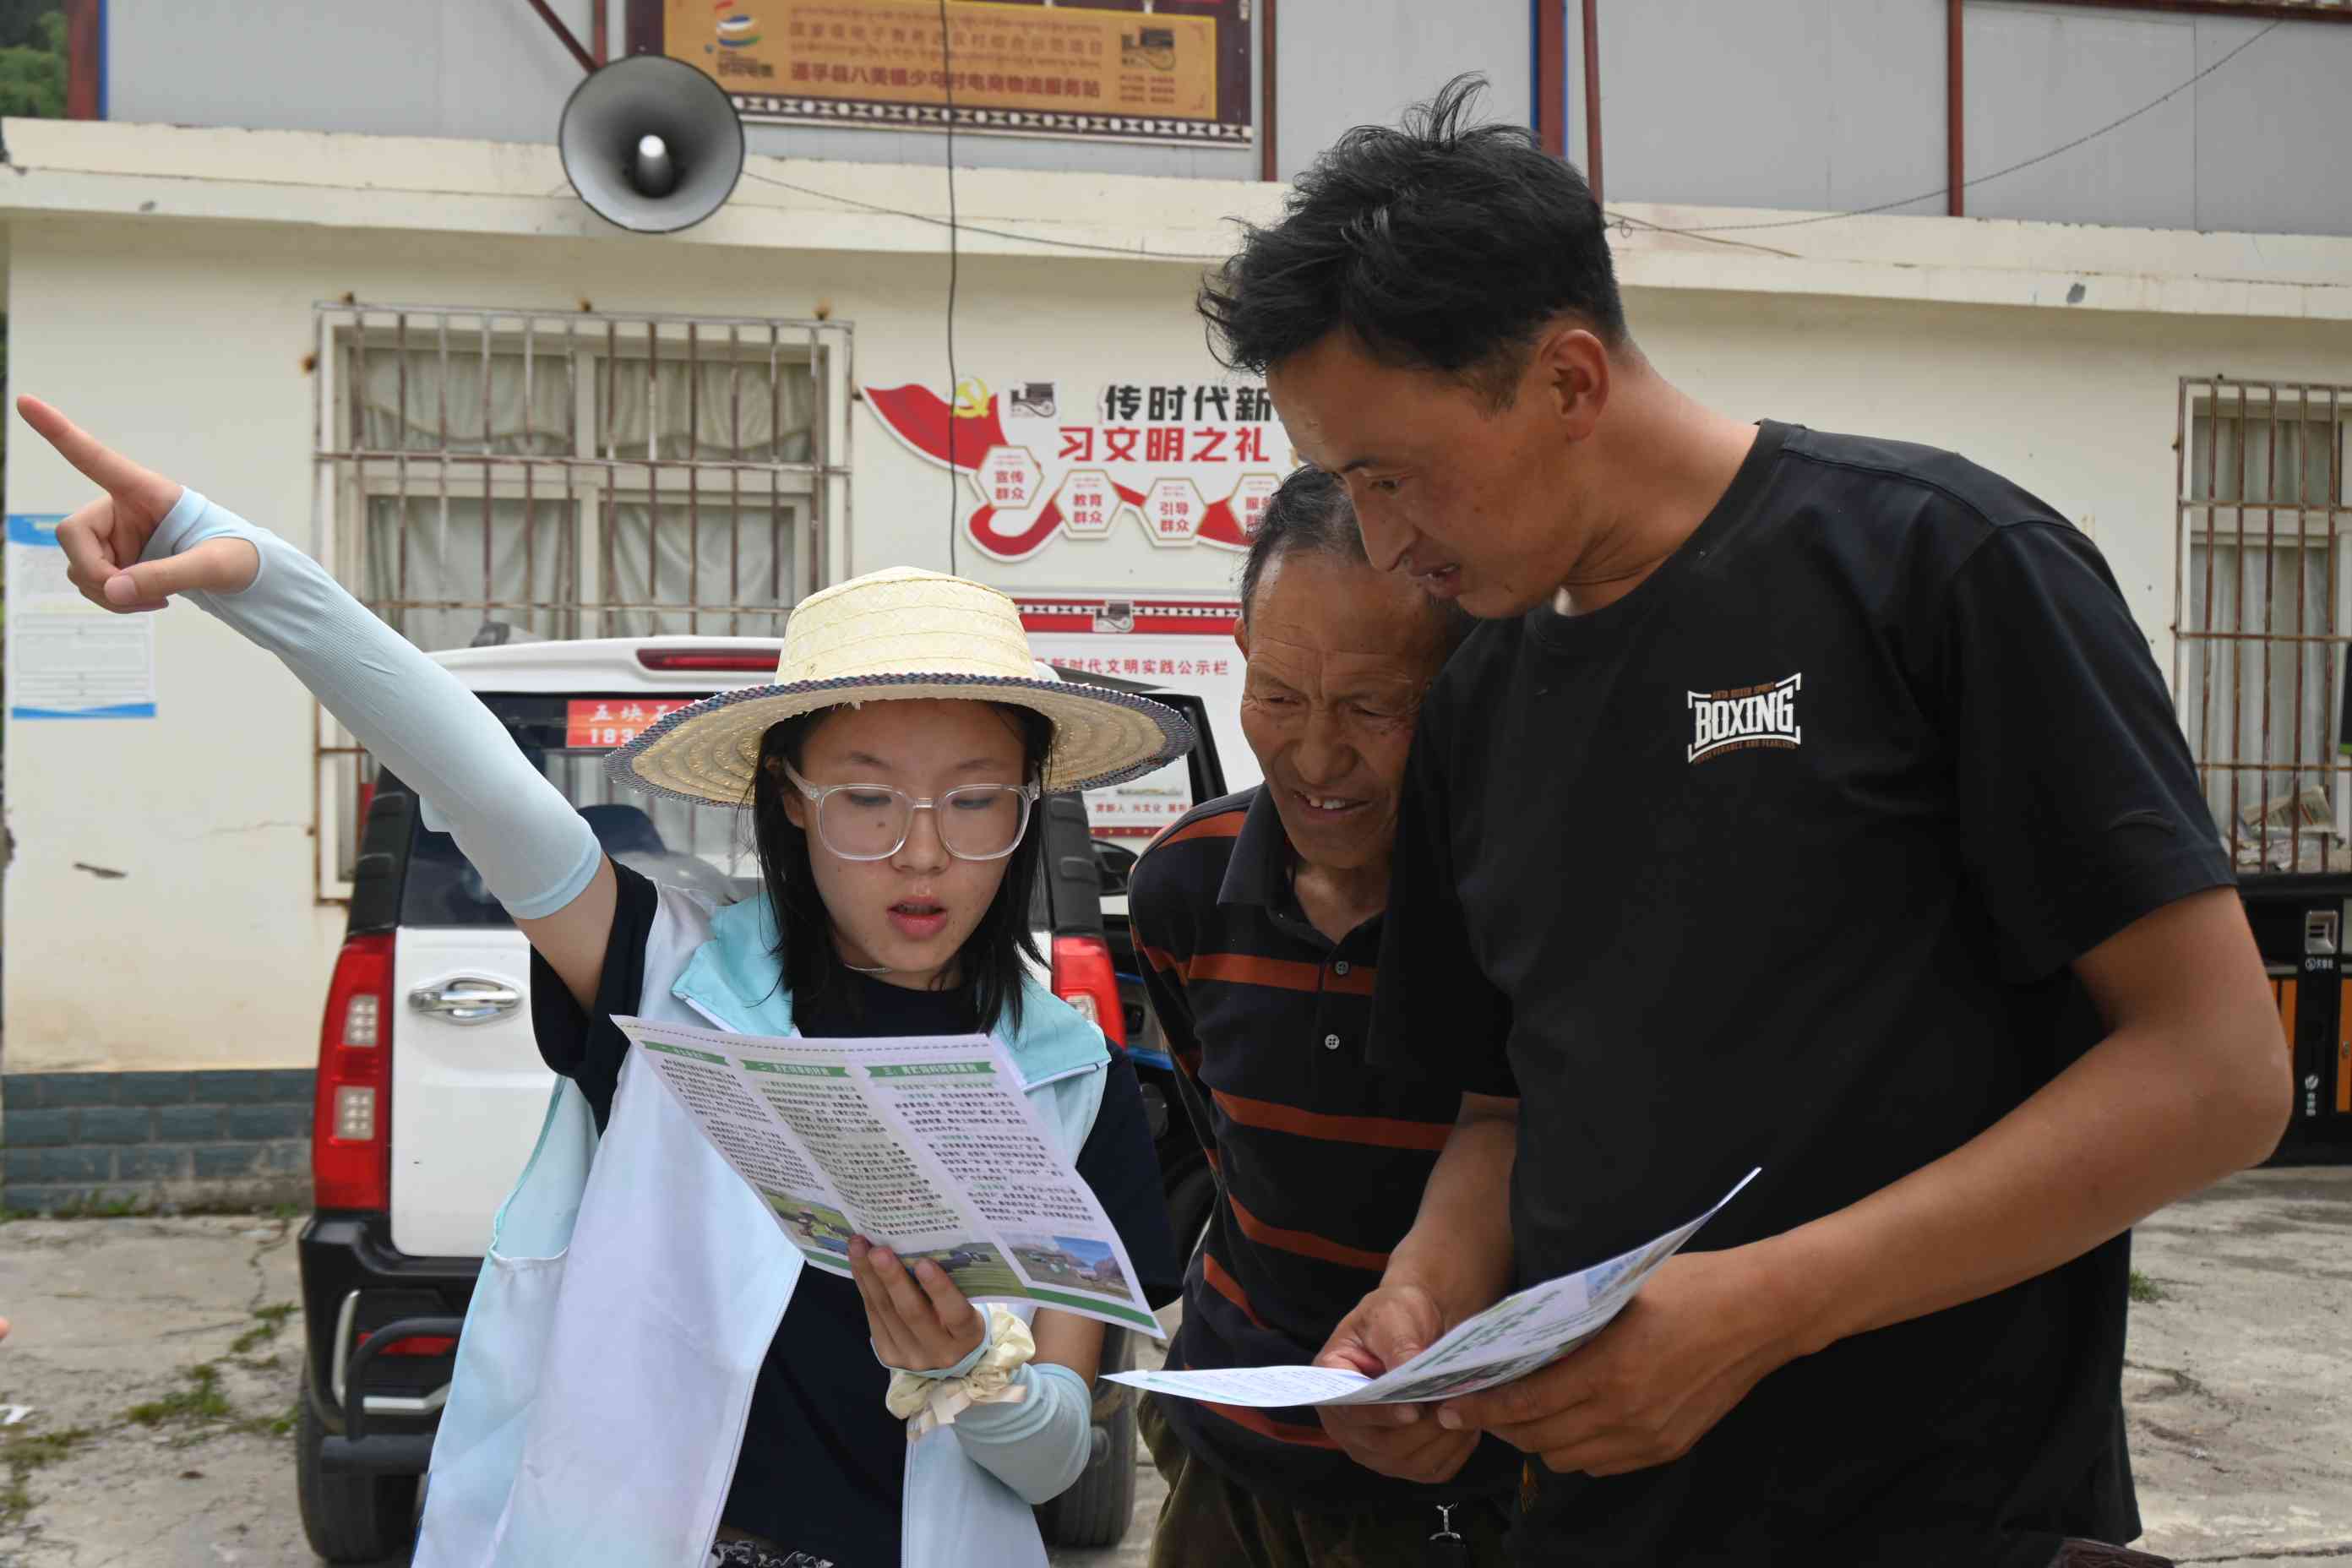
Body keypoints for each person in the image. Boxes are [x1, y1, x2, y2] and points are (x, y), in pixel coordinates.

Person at [1194, 78, 2289, 1567]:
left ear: (1569, 381)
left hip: (1947, 1523)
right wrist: (1425, 1302)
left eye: (1395, 477)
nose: (1382, 543)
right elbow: (1506, 1109)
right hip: (1593, 1522)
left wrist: (1767, 1310)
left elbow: (2218, 1072)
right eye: (1344, 485)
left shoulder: (1939, 569)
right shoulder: (1481, 697)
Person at [20, 395, 1187, 1568]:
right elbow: (480, 787)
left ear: (1028, 804)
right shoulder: (668, 976)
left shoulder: (1071, 1082)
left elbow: (1055, 1463)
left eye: (976, 800)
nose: (923, 851)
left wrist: (971, 1377)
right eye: (867, 798)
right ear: (789, 798)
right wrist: (256, 575)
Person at [1125, 466, 1516, 1566]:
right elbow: (1229, 1152)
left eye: (1372, 707)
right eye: (1280, 697)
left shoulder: (1519, 902)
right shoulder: (1183, 886)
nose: (1314, 756)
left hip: (1467, 1466)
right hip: (1226, 1447)